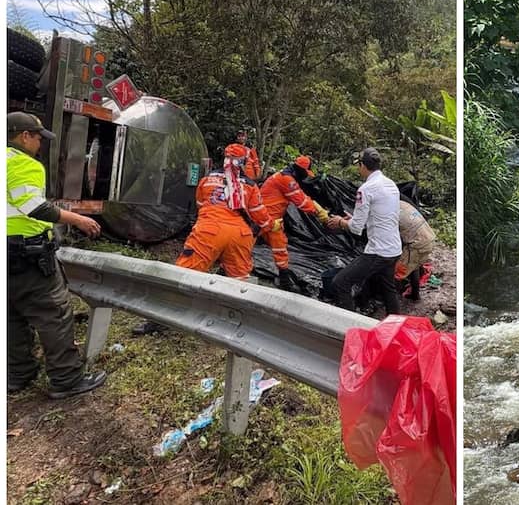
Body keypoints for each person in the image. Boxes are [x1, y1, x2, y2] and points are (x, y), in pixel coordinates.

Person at [7, 111, 107, 398]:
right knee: (54, 313)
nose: (40, 143)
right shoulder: (26, 164)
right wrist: (78, 220)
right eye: (38, 136)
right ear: (24, 136)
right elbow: (35, 208)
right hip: (26, 255)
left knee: (12, 315)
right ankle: (66, 379)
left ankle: (18, 374)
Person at [133, 143, 277, 335]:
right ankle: (237, 324)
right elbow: (259, 216)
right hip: (239, 235)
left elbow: (201, 205)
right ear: (244, 162)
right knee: (240, 282)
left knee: (184, 276)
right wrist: (272, 225)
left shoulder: (207, 179)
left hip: (209, 230)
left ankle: (159, 321)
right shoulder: (250, 185)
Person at [327, 148, 402, 315]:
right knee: (388, 288)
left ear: (362, 165)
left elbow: (355, 228)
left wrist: (340, 222)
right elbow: (381, 216)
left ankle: (349, 327)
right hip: (394, 248)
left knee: (340, 283)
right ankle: (396, 328)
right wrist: (353, 219)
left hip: (378, 251)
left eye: (358, 165)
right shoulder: (391, 185)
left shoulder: (366, 189)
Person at [259, 155, 331, 291]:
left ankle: (284, 280)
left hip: (268, 217)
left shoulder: (285, 175)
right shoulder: (287, 180)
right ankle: (226, 269)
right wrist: (319, 211)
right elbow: (301, 201)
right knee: (251, 244)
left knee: (276, 246)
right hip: (265, 217)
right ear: (301, 170)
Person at [395, 199, 437, 301]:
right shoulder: (403, 203)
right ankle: (415, 295)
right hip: (429, 238)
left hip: (417, 244)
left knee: (397, 273)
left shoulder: (389, 210)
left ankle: (394, 301)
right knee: (415, 266)